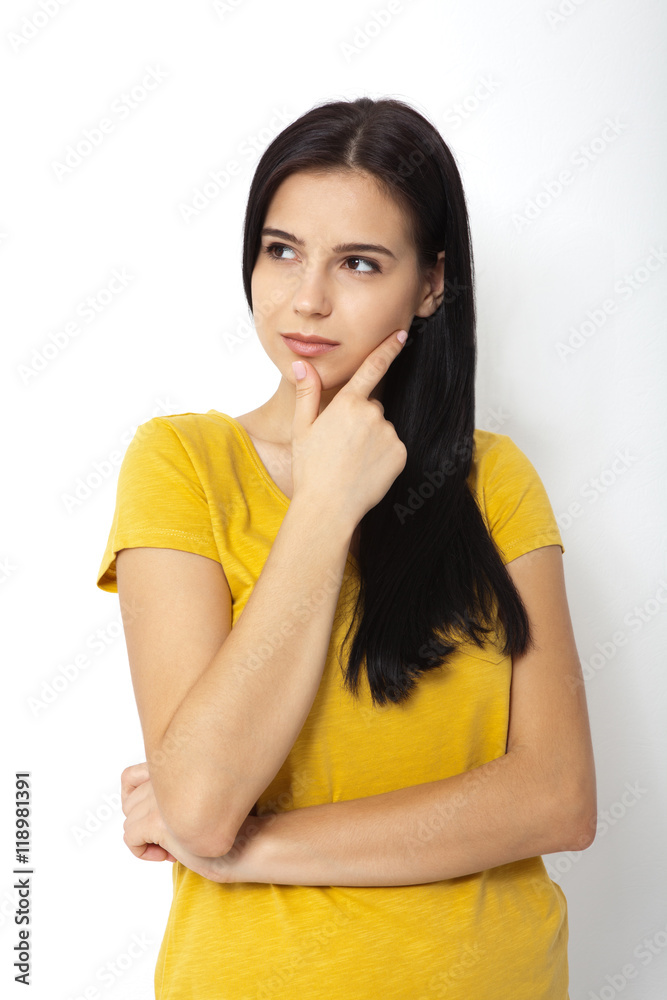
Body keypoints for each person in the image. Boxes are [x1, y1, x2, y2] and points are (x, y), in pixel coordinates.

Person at [96, 95, 597, 999]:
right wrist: (324, 504)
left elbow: (558, 798)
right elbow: (204, 797)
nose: (307, 299)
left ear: (432, 283)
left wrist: (250, 854)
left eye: (359, 263)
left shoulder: (495, 481)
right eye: (281, 250)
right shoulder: (181, 462)